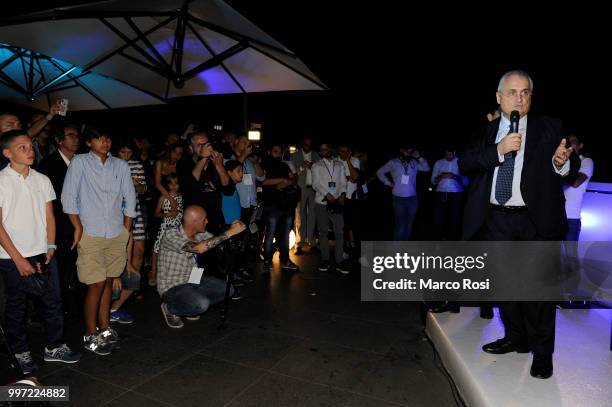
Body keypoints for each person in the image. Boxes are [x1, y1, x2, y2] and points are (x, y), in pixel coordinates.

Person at [459, 70, 579, 379]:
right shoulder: (486, 132)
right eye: (512, 92)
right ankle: (516, 337)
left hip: (535, 220)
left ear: (531, 97)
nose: (519, 98)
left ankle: (542, 353)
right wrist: (499, 150)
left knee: (538, 290)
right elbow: (466, 163)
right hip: (496, 219)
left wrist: (561, 162)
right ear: (499, 98)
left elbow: (571, 161)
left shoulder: (549, 127)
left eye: (525, 92)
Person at [0, 130, 81, 374]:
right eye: (22, 147)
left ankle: (54, 346)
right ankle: (20, 352)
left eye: (30, 146)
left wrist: (51, 246)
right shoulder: (1, 181)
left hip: (42, 252)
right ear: (7, 153)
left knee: (53, 300)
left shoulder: (42, 179)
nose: (30, 150)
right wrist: (18, 259)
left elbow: (49, 216)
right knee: (17, 306)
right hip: (10, 256)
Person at [61, 127, 137, 356]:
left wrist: (125, 230)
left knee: (108, 281)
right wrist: (78, 227)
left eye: (107, 137)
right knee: (95, 284)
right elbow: (68, 197)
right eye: (99, 138)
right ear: (88, 142)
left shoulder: (120, 165)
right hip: (91, 233)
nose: (104, 141)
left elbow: (130, 197)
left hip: (116, 232)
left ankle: (105, 327)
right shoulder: (80, 162)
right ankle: (89, 333)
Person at [157, 205, 246, 328]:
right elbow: (199, 248)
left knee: (228, 290)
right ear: (194, 222)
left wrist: (233, 229)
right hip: (173, 286)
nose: (207, 221)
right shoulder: (171, 234)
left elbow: (218, 240)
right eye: (204, 219)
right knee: (201, 304)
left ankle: (189, 306)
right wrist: (230, 232)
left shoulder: (200, 234)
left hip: (194, 280)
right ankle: (170, 308)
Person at [38, 124, 82, 316]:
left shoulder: (82, 161)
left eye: (77, 136)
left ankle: (74, 308)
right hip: (60, 226)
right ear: (59, 140)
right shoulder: (49, 164)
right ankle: (50, 311)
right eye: (70, 135)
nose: (75, 139)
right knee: (59, 269)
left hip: (82, 224)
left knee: (79, 268)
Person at [108, 141, 148, 323]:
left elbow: (144, 189)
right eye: (122, 150)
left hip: (134, 210)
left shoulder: (136, 165)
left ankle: (131, 285)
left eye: (128, 151)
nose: (125, 154)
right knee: (115, 248)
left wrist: (134, 184)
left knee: (138, 249)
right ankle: (113, 292)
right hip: (113, 213)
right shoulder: (109, 163)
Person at [177, 131, 229, 234]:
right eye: (199, 145)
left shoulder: (214, 162)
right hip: (195, 221)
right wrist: (203, 158)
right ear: (191, 148)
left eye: (206, 144)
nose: (204, 148)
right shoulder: (184, 163)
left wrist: (219, 166)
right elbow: (190, 185)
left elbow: (228, 188)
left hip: (215, 219)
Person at [376, 145, 430, 240]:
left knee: (409, 225)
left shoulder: (414, 162)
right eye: (407, 149)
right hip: (398, 198)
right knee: (400, 225)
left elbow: (427, 168)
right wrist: (388, 183)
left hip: (413, 199)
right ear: (401, 150)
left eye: (410, 149)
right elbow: (379, 172)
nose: (409, 151)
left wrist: (419, 157)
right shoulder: (393, 162)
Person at [261, 143, 300, 273]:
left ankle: (285, 260)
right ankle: (266, 262)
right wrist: (281, 181)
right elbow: (263, 181)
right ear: (269, 151)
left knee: (285, 236)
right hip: (272, 206)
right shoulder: (265, 165)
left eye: (280, 152)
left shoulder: (284, 165)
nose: (278, 154)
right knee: (270, 234)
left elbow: (293, 179)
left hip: (286, 205)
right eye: (275, 151)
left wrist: (288, 181)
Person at [312, 142, 350, 273]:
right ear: (320, 152)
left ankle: (339, 261)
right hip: (322, 202)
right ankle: (325, 259)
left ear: (330, 149)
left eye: (326, 148)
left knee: (339, 232)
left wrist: (343, 194)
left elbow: (343, 182)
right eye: (322, 149)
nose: (325, 150)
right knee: (323, 233)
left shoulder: (339, 165)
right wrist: (326, 194)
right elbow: (315, 184)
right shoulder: (316, 165)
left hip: (337, 203)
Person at [290, 137, 320, 254]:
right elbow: (292, 173)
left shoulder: (317, 156)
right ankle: (300, 241)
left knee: (312, 214)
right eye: (306, 144)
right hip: (300, 188)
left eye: (309, 144)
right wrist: (302, 167)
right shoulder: (294, 156)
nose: (307, 145)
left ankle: (312, 241)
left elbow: (321, 171)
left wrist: (313, 166)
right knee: (299, 214)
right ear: (302, 144)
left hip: (313, 188)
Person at [153, 173, 184, 282]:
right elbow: (156, 213)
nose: (174, 186)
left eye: (176, 183)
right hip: (166, 225)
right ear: (167, 185)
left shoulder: (181, 196)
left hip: (178, 226)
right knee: (157, 248)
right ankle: (153, 272)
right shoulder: (163, 198)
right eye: (171, 184)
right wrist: (167, 214)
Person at [431, 149, 465, 240]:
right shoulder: (439, 163)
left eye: (450, 153)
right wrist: (440, 176)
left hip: (456, 194)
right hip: (441, 193)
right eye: (446, 153)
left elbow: (466, 181)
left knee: (454, 219)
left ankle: (452, 240)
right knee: (438, 219)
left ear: (454, 152)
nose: (448, 155)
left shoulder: (460, 161)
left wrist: (453, 176)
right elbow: (433, 181)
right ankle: (438, 240)